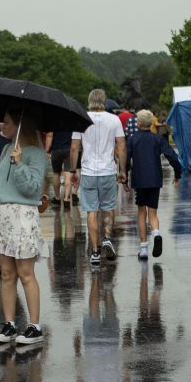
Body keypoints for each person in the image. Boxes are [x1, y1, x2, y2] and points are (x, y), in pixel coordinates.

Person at [0, 109, 49, 345]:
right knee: (7, 273)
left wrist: (20, 164)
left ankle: (34, 326)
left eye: (7, 122)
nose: (2, 126)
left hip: (23, 216)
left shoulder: (37, 155)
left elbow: (32, 189)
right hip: (3, 215)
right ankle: (9, 323)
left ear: (21, 126)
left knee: (25, 273)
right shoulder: (4, 149)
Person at [70, 89, 127, 265]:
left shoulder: (81, 119)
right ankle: (107, 238)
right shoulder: (114, 119)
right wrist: (123, 170)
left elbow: (74, 148)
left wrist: (73, 170)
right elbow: (122, 146)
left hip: (88, 172)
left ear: (89, 101)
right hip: (108, 171)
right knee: (108, 207)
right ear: (104, 101)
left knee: (91, 212)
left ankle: (94, 252)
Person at [126, 109, 181, 260]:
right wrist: (177, 174)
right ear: (151, 123)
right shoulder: (158, 139)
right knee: (153, 212)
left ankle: (143, 248)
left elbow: (125, 159)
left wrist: (124, 178)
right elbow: (173, 157)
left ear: (138, 123)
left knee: (141, 212)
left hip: (139, 179)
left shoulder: (132, 139)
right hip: (155, 179)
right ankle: (156, 233)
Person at [46, 130, 74, 209]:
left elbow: (49, 135)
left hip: (56, 149)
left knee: (56, 173)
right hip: (69, 149)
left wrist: (47, 150)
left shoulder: (55, 119)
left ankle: (57, 198)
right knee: (68, 174)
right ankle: (66, 199)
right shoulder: (73, 120)